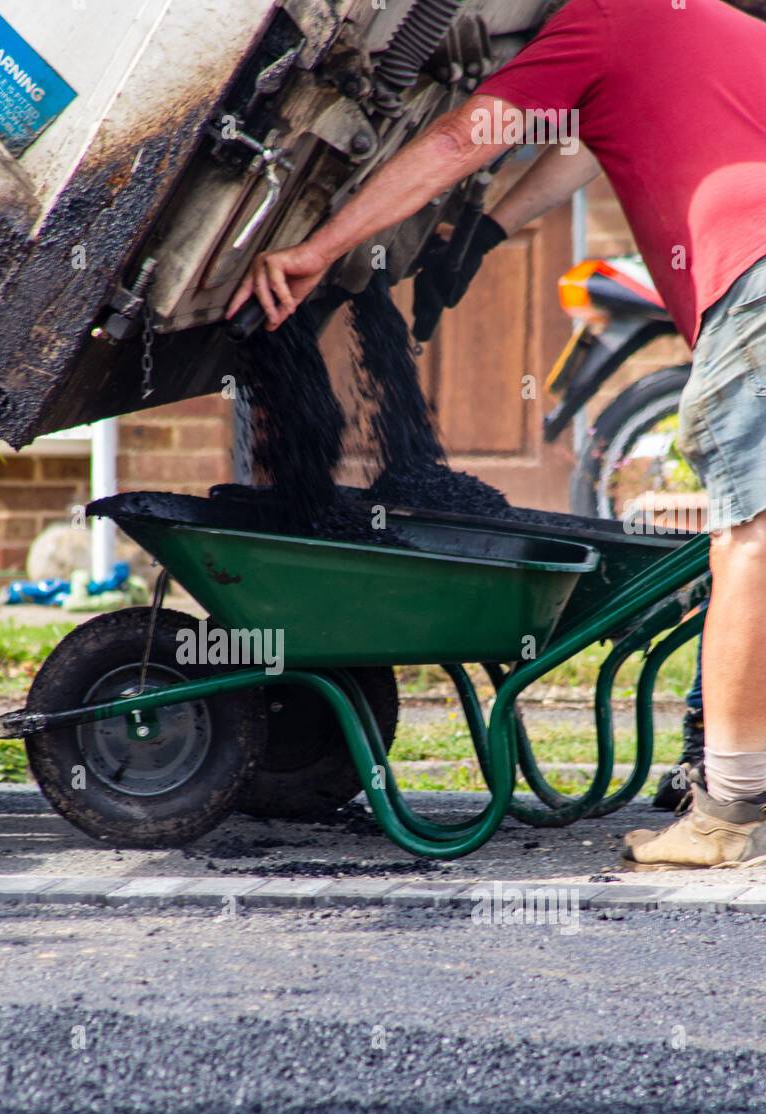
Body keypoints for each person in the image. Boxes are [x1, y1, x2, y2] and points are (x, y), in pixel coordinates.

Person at [229, 0, 766, 869]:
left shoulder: (604, 17)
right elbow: (592, 136)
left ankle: (728, 815)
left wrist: (318, 250)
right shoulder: (703, 26)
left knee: (749, 541)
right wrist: (485, 230)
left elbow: (456, 142)